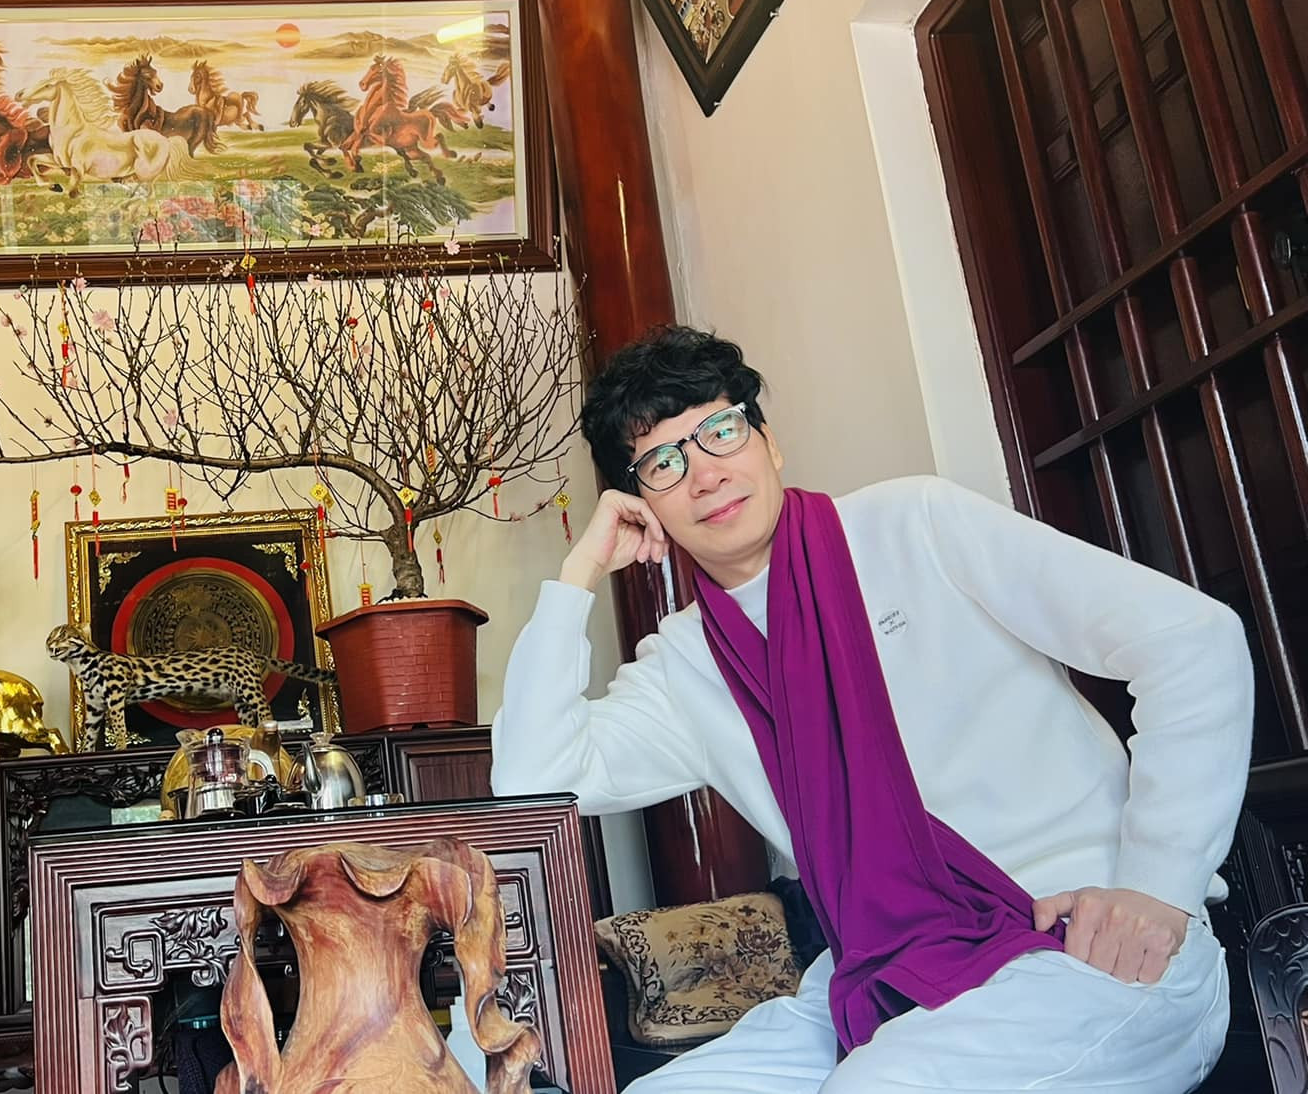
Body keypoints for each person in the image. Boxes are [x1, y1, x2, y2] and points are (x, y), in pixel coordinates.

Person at [491, 327, 1253, 1093]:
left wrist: (1158, 886)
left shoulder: (915, 525)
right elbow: (535, 780)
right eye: (664, 462)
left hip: (1092, 941)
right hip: (880, 976)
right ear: (641, 502)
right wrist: (577, 574)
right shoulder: (685, 665)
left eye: (721, 430)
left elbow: (1194, 641)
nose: (706, 474)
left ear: (769, 442)